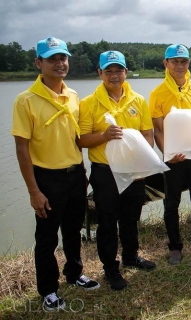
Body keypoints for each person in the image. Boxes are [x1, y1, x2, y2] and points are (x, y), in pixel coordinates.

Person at [11, 37, 99, 311]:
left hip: (74, 174)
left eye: (63, 58)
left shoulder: (73, 96)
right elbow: (22, 149)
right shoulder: (25, 100)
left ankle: (74, 274)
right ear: (38, 63)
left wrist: (82, 172)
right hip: (46, 177)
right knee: (47, 237)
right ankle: (48, 289)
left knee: (73, 230)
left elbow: (75, 139)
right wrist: (33, 191)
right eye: (52, 59)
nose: (60, 64)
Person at [78, 51, 156, 291]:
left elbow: (148, 134)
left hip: (133, 171)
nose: (114, 75)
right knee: (108, 222)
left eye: (119, 70)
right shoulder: (88, 103)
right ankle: (111, 268)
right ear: (100, 73)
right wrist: (103, 136)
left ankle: (131, 257)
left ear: (126, 72)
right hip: (105, 172)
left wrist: (143, 164)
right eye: (109, 71)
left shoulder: (138, 100)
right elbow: (81, 140)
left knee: (131, 218)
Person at [149, 44, 191, 265]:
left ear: (188, 64)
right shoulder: (157, 94)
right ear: (165, 63)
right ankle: (175, 247)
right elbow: (157, 129)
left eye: (184, 61)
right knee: (171, 204)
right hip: (174, 160)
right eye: (175, 61)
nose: (179, 66)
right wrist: (167, 154)